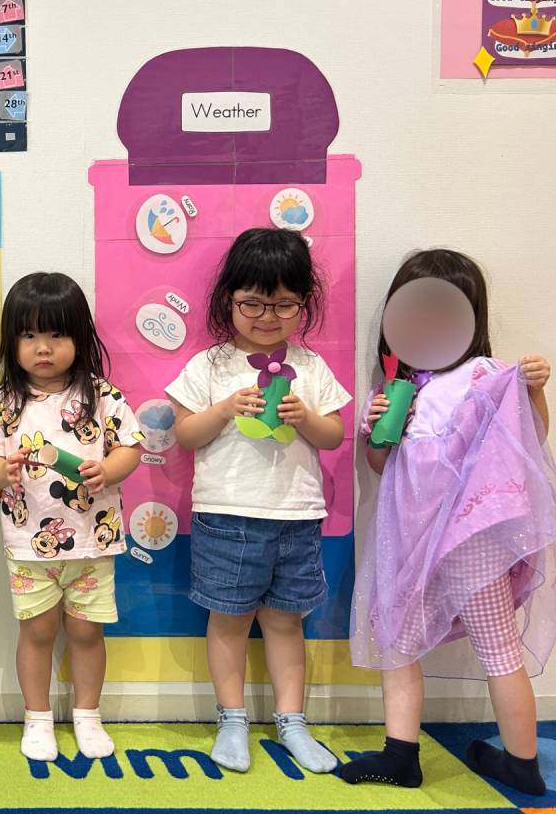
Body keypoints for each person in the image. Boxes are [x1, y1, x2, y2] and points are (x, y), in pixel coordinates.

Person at [341, 249, 556, 795]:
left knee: (496, 646)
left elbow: (532, 437)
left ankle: (521, 761)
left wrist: (533, 389)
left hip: (467, 538)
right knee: (398, 637)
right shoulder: (397, 387)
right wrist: (376, 430)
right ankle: (401, 754)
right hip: (410, 537)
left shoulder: (486, 375)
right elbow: (381, 466)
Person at [167, 228, 349, 774]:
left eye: (284, 304)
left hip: (296, 516)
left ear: (303, 304)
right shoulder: (210, 365)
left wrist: (306, 417)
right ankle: (232, 719)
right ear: (230, 300)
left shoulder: (310, 367)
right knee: (227, 620)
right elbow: (185, 433)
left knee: (286, 622)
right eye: (253, 303)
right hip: (227, 515)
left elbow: (334, 435)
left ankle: (292, 722)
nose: (268, 317)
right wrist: (225, 408)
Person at [0, 272, 142, 761]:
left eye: (56, 334)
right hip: (28, 545)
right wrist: (1, 471)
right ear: (12, 341)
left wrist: (108, 469)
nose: (42, 347)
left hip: (93, 541)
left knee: (87, 632)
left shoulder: (102, 395)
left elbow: (131, 447)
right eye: (29, 335)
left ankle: (88, 715)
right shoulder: (3, 403)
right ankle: (38, 717)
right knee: (38, 632)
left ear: (80, 337)